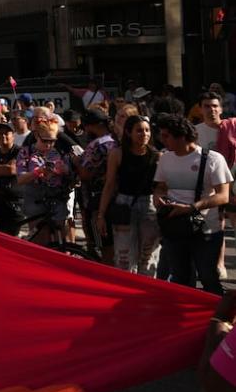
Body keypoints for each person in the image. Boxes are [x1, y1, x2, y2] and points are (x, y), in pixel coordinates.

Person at [153, 115, 231, 295]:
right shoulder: (165, 158)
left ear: (181, 136)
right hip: (175, 227)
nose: (161, 140)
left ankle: (219, 318)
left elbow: (223, 196)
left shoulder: (213, 159)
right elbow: (160, 187)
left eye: (166, 136)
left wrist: (193, 207)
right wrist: (159, 198)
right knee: (180, 278)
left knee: (208, 277)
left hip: (206, 230)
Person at [95, 115, 160, 275]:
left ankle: (147, 292)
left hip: (149, 206)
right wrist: (101, 215)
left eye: (147, 130)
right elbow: (109, 184)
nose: (144, 134)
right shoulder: (117, 154)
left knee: (148, 256)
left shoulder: (157, 156)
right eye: (139, 130)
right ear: (128, 132)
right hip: (124, 205)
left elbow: (161, 186)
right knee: (123, 258)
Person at [16, 112, 76, 244]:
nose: (49, 145)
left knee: (62, 237)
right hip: (35, 198)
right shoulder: (26, 152)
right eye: (45, 141)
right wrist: (38, 171)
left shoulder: (59, 152)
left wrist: (64, 170)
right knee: (41, 239)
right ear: (37, 136)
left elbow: (72, 174)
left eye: (52, 141)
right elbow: (20, 179)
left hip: (57, 197)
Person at [77, 110, 116, 259]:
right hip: (119, 197)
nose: (86, 130)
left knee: (105, 247)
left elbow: (85, 173)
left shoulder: (97, 145)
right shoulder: (117, 140)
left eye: (87, 126)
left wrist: (76, 162)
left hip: (99, 199)